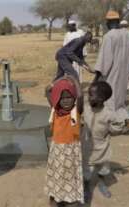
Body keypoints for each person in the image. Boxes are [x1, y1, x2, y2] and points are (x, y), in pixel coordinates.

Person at [93, 11, 129, 124]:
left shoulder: (109, 36)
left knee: (110, 98)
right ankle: (124, 118)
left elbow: (105, 60)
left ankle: (115, 122)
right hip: (124, 72)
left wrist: (97, 76)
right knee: (120, 98)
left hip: (112, 73)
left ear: (108, 22)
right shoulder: (128, 34)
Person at [82, 81, 127, 200]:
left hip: (102, 147)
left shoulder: (108, 113)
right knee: (87, 169)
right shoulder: (86, 109)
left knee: (103, 167)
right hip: (87, 147)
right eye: (88, 94)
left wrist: (115, 129)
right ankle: (86, 186)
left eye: (91, 95)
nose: (88, 97)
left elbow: (117, 126)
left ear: (101, 98)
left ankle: (101, 182)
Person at [45, 76, 84, 207]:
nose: (66, 101)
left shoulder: (75, 112)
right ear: (57, 99)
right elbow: (47, 91)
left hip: (71, 153)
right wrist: (59, 80)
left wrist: (75, 81)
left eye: (69, 97)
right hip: (57, 152)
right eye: (62, 98)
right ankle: (55, 197)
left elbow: (80, 97)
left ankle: (70, 199)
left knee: (70, 178)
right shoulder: (55, 110)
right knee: (56, 175)